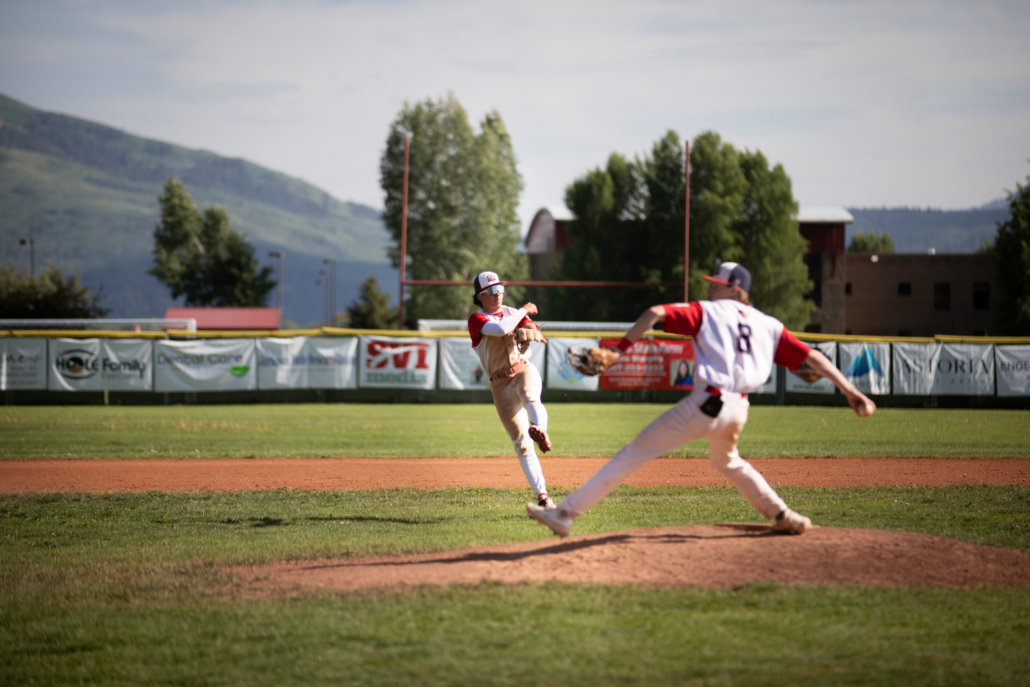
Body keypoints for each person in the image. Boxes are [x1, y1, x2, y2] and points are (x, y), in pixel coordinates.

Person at [526, 262, 876, 537]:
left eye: (716, 284)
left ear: (734, 288)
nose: (710, 289)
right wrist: (852, 391)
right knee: (728, 461)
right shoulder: (768, 324)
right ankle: (783, 515)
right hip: (738, 409)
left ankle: (565, 514)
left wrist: (619, 350)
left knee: (635, 452)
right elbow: (813, 358)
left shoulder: (709, 310)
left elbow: (656, 312)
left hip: (707, 404)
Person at [468, 271, 556, 509]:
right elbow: (500, 329)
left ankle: (540, 428)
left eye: (500, 289)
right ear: (480, 296)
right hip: (499, 384)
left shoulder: (512, 313)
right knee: (522, 444)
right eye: (490, 291)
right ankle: (543, 497)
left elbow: (530, 329)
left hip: (522, 370)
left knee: (530, 396)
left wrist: (526, 327)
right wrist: (524, 310)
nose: (497, 294)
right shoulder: (476, 319)